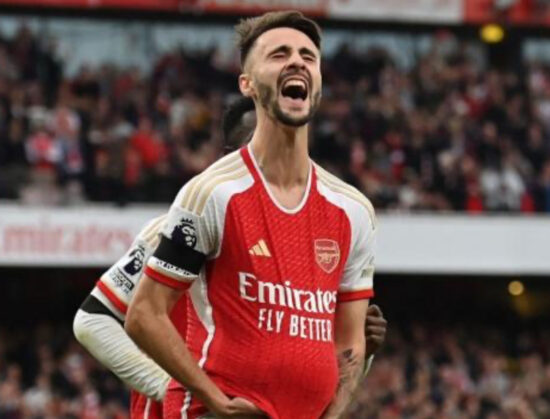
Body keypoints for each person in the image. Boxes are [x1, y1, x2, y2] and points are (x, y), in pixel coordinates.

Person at [126, 10, 377, 419]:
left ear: (318, 82)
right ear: (247, 84)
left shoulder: (354, 210)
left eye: (308, 57)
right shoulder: (212, 194)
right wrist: (216, 402)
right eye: (279, 54)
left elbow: (349, 341)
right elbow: (144, 315)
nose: (296, 62)